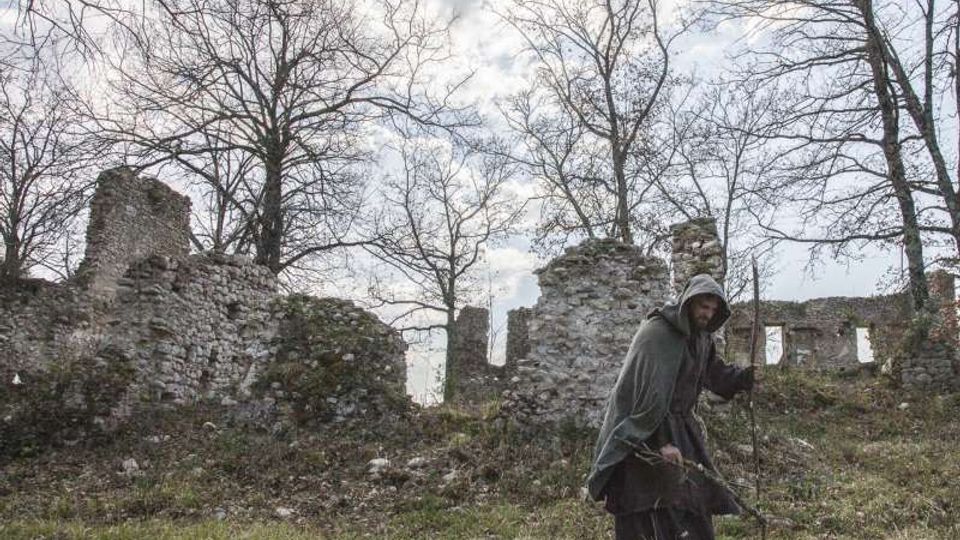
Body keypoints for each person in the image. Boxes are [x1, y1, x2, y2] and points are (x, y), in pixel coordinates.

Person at [586, 273, 754, 539]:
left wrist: (744, 378)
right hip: (643, 432)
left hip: (682, 430)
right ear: (688, 301)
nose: (707, 314)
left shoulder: (701, 338)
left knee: (692, 504)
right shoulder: (658, 332)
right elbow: (647, 397)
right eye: (703, 306)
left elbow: (713, 373)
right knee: (649, 506)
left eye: (713, 309)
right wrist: (661, 441)